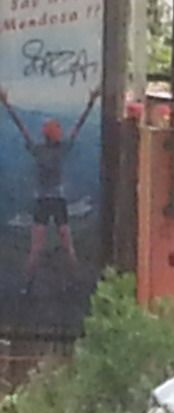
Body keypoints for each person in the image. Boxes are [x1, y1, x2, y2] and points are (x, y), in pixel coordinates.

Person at [0, 86, 100, 294]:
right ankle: (74, 282)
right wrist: (91, 103)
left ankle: (28, 285)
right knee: (64, 245)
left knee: (39, 248)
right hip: (56, 201)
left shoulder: (40, 150)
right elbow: (78, 126)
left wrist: (6, 104)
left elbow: (22, 128)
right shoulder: (59, 149)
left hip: (44, 201)